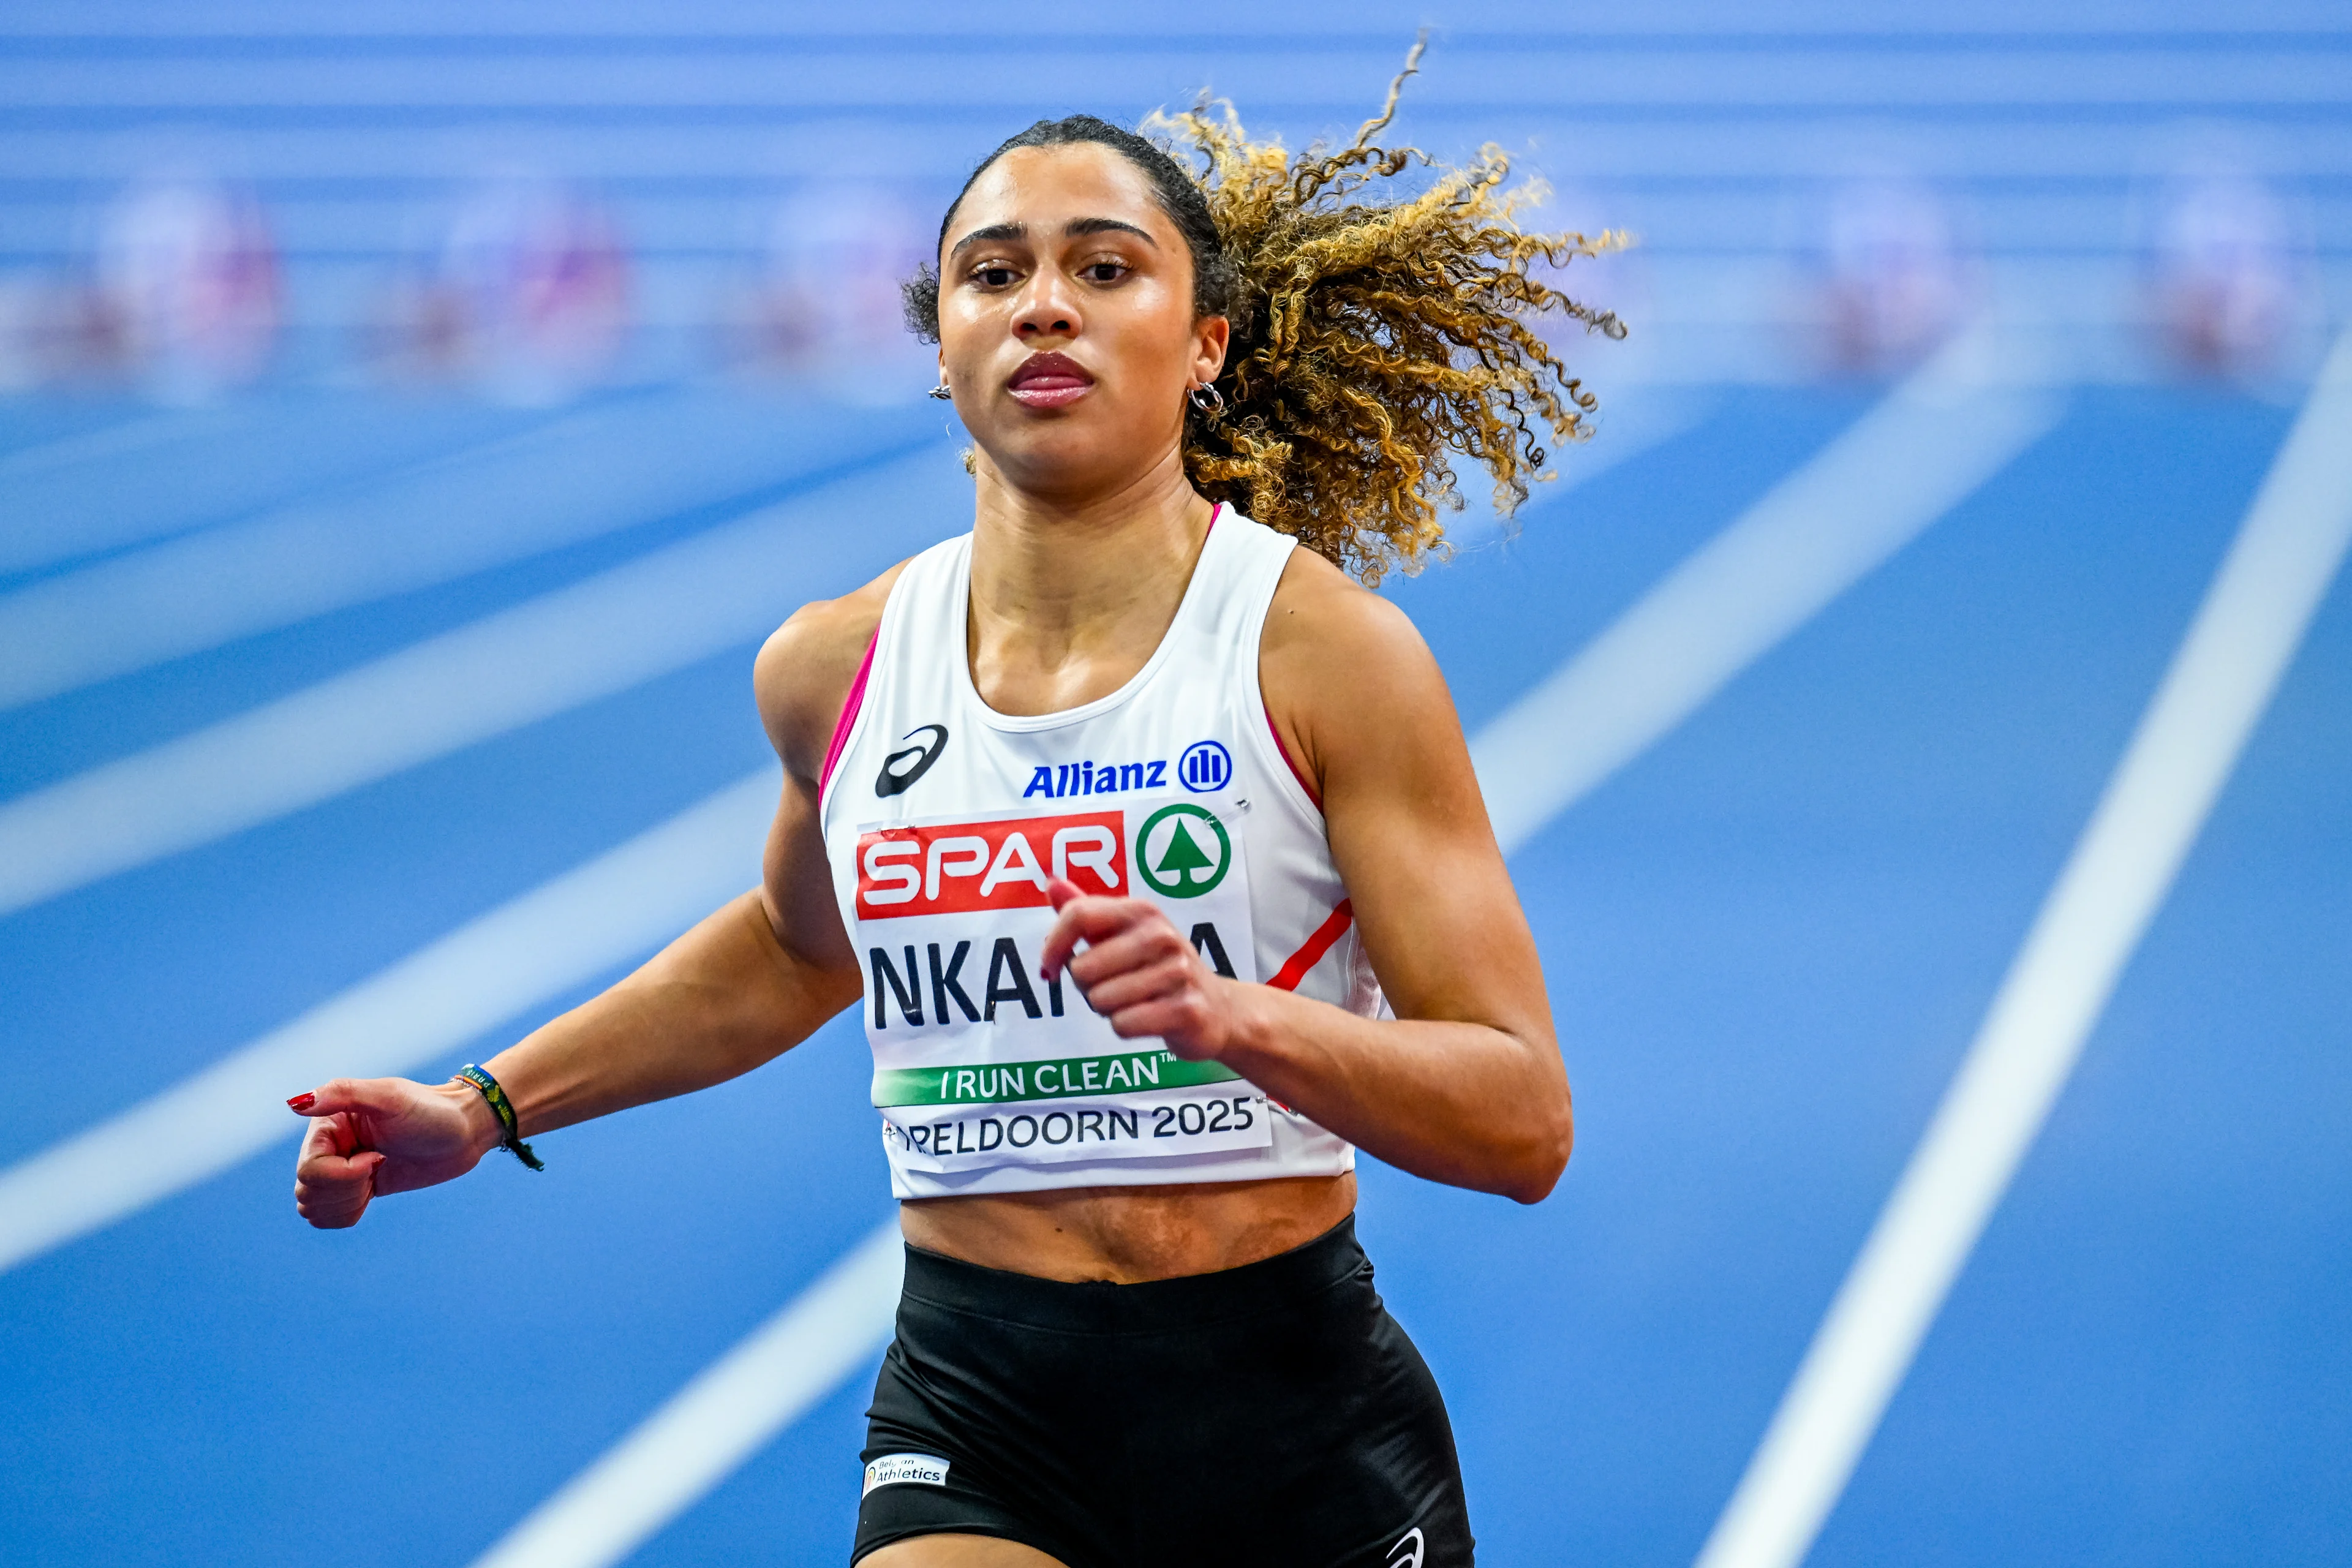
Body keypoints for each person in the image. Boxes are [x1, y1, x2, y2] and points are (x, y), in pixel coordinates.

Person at [289, 73, 1620, 1568]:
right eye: (995, 275)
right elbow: (795, 953)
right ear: (945, 350)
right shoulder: (836, 668)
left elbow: (1521, 1117)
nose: (1044, 306)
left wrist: (1236, 1020)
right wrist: (481, 1106)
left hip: (1288, 1412)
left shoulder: (1323, 656)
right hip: (980, 1396)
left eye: (1104, 269)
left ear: (1205, 346)